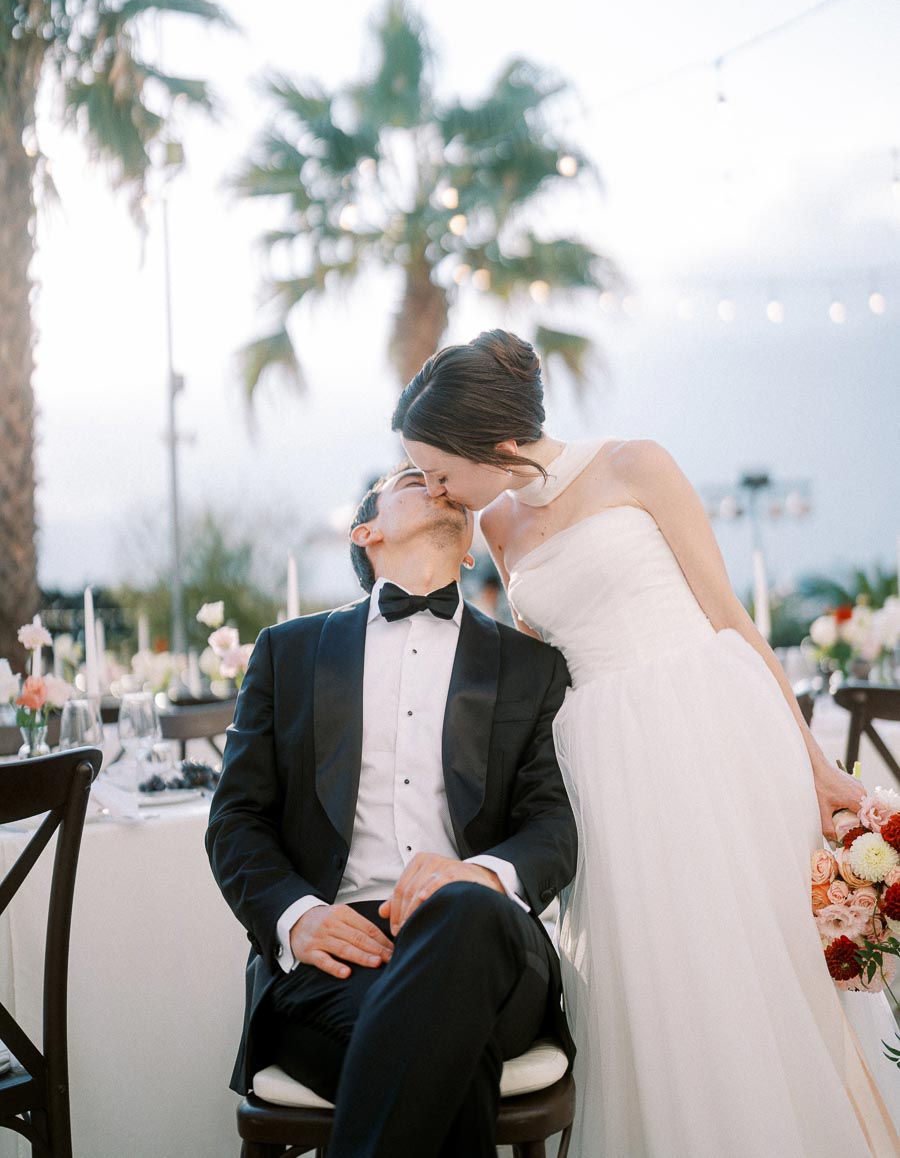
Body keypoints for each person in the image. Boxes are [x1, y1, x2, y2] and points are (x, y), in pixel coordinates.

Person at [392, 329, 899, 1158]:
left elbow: (730, 616)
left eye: (443, 469)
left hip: (712, 729)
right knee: (666, 984)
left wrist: (814, 767)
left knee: (759, 959)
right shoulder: (497, 526)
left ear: (498, 444)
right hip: (604, 765)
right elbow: (539, 664)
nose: (438, 488)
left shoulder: (637, 464)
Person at [206, 462, 577, 1158]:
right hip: (336, 958)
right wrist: (297, 916)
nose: (438, 486)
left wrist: (482, 878)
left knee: (460, 917)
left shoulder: (532, 668)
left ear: (470, 549)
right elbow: (236, 821)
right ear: (366, 530)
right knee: (441, 1048)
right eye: (413, 480)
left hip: (489, 939)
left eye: (447, 485)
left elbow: (553, 828)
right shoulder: (287, 654)